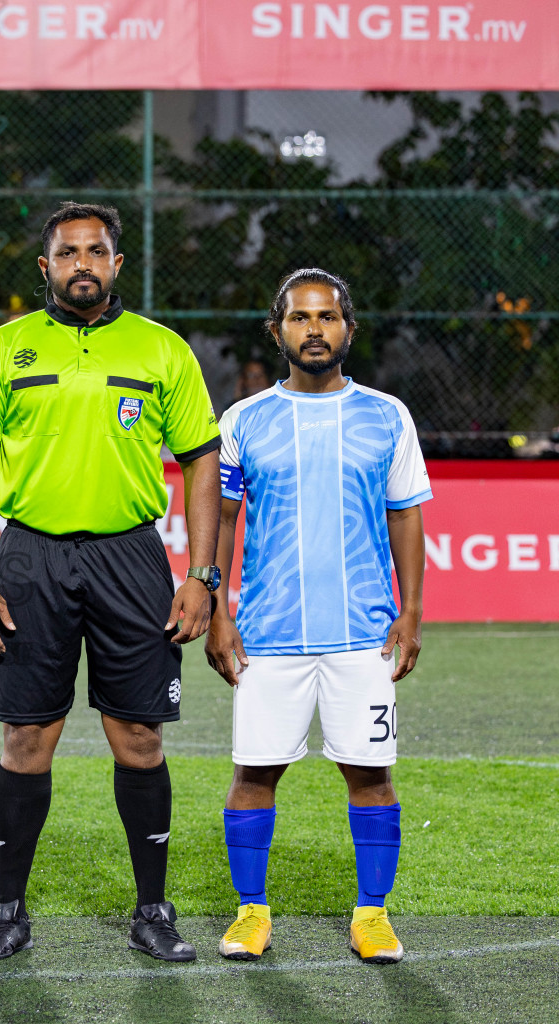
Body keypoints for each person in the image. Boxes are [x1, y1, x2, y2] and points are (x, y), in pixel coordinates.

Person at [0, 202, 221, 963]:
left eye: (96, 251)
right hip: (30, 556)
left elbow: (203, 460)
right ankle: (8, 910)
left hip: (132, 558)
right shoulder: (2, 352)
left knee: (138, 736)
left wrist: (201, 574)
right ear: (45, 267)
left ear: (117, 264)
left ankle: (152, 911)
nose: (82, 264)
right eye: (67, 252)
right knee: (27, 736)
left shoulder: (161, 350)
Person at [205, 269, 430, 966]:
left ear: (348, 330)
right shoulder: (243, 420)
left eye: (327, 317)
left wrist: (412, 611)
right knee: (255, 772)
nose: (314, 329)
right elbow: (222, 522)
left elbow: (406, 515)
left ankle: (372, 914)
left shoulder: (387, 415)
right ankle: (251, 913)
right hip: (269, 637)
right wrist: (218, 610)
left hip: (363, 635)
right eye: (299, 318)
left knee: (371, 774)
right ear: (277, 332)